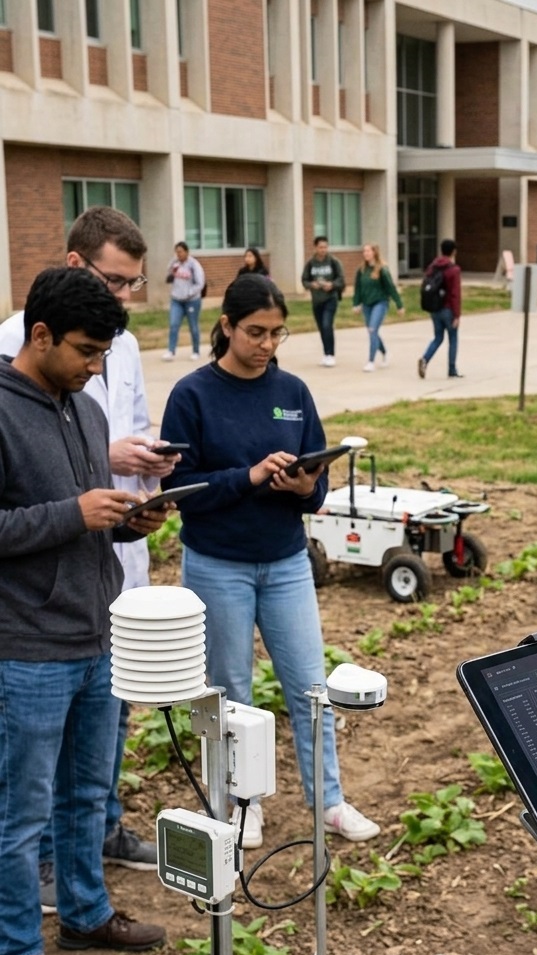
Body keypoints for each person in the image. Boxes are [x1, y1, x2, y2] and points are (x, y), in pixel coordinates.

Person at [159, 274, 379, 849]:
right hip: (217, 563)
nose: (267, 344)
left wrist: (304, 486)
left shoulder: (294, 392)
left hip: (285, 562)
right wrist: (251, 476)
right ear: (226, 326)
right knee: (232, 692)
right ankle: (242, 803)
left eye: (278, 333)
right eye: (255, 332)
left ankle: (327, 800)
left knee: (311, 685)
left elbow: (319, 488)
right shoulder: (192, 395)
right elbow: (179, 488)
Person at [0, 205, 179, 906]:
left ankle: (84, 909)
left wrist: (134, 521)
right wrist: (74, 513)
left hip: (97, 623)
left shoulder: (89, 398)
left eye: (104, 355)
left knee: (85, 791)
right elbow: (41, 509)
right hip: (31, 641)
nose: (96, 367)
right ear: (41, 336)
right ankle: (17, 942)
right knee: (23, 808)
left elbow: (86, 505)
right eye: (85, 353)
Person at [352, 242, 404, 372]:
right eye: (364, 251)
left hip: (380, 303)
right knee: (372, 332)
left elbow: (390, 288)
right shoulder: (362, 270)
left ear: (374, 252)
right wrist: (356, 304)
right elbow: (358, 288)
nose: (366, 254)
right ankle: (385, 353)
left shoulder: (382, 269)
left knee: (372, 329)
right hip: (366, 304)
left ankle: (371, 361)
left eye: (368, 251)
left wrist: (399, 304)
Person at [417, 239, 463, 379]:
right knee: (453, 338)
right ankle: (452, 369)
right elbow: (455, 293)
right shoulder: (453, 270)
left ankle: (425, 358)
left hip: (435, 308)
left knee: (438, 337)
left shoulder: (432, 267)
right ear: (454, 251)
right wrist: (457, 315)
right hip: (448, 308)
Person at [301, 236, 345, 368]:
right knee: (321, 328)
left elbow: (341, 279)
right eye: (320, 247)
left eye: (325, 247)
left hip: (330, 299)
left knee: (327, 325)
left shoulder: (333, 262)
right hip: (316, 300)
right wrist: (311, 285)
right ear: (315, 247)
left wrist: (332, 285)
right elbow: (304, 280)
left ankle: (331, 355)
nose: (323, 250)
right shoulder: (310, 263)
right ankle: (326, 354)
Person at [163, 241, 205, 361]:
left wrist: (189, 293)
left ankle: (196, 351)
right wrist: (172, 264)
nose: (178, 254)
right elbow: (168, 273)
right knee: (173, 325)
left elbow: (200, 283)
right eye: (176, 252)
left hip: (192, 300)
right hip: (176, 300)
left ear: (186, 252)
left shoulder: (194, 264)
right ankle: (171, 351)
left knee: (193, 326)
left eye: (180, 252)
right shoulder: (175, 263)